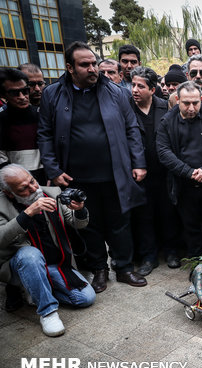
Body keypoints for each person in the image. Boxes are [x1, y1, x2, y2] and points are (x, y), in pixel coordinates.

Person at [37, 41, 148, 293]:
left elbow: (132, 129)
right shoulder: (52, 94)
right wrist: (53, 169)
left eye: (94, 63)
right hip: (76, 175)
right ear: (69, 68)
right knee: (90, 224)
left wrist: (139, 163)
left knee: (120, 222)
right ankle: (99, 269)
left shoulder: (117, 92)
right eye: (84, 65)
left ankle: (124, 268)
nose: (92, 69)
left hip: (115, 172)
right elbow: (44, 134)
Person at [0, 164, 95, 336]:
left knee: (86, 298)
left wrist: (80, 210)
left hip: (54, 264)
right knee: (30, 255)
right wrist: (28, 213)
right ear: (8, 193)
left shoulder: (52, 192)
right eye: (24, 188)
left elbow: (78, 223)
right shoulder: (1, 204)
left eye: (32, 181)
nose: (33, 188)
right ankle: (47, 312)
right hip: (21, 265)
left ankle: (35, 289)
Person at [156, 81, 202, 258]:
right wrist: (188, 172)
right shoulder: (167, 122)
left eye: (195, 103)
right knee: (190, 227)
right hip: (183, 185)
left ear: (201, 99)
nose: (191, 107)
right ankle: (196, 263)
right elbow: (164, 152)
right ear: (177, 100)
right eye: (186, 103)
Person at [129, 67, 182, 273]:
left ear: (152, 89)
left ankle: (171, 252)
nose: (134, 90)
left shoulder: (165, 107)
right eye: (133, 85)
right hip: (139, 174)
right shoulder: (127, 109)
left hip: (164, 172)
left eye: (140, 86)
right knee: (144, 216)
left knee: (168, 213)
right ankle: (149, 257)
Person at [0, 68, 46, 184]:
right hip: (16, 183)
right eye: (14, 93)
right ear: (3, 94)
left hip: (46, 178)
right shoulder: (1, 120)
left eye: (25, 91)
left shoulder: (42, 115)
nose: (22, 97)